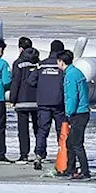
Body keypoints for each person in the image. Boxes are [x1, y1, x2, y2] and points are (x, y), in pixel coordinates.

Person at [32, 39, 67, 171]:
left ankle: (39, 154)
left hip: (43, 102)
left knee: (42, 130)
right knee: (61, 131)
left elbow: (31, 81)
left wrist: (42, 86)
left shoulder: (41, 65)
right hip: (58, 103)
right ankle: (62, 155)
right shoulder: (61, 66)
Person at [58, 50, 91, 180]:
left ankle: (85, 171)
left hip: (78, 113)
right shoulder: (77, 72)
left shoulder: (70, 76)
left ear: (61, 62)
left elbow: (72, 96)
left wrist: (68, 113)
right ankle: (70, 168)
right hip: (82, 112)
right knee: (70, 142)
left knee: (76, 143)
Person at [10, 43, 41, 163]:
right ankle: (39, 152)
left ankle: (24, 154)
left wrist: (13, 98)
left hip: (22, 101)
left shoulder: (18, 64)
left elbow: (15, 82)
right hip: (37, 101)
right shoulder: (38, 64)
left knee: (23, 130)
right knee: (38, 129)